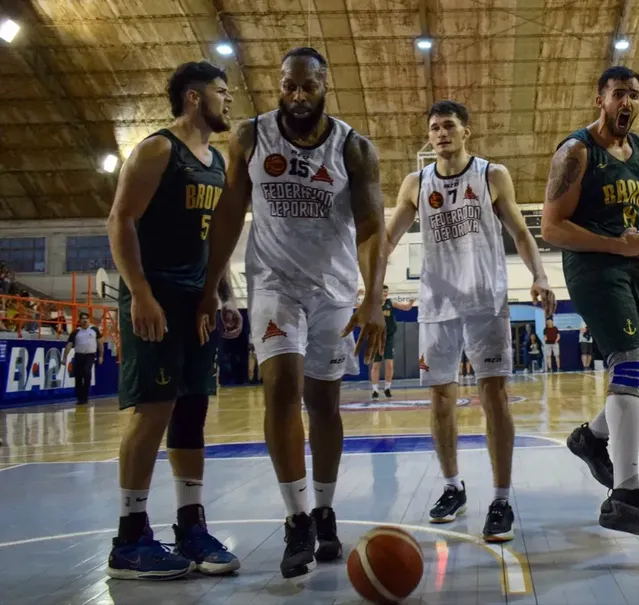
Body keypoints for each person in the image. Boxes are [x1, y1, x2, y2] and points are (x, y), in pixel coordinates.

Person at [199, 47, 388, 579]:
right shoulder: (250, 136)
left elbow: (372, 226)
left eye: (308, 86)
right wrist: (215, 285)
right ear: (277, 85)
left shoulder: (355, 148)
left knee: (324, 402)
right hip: (274, 283)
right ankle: (297, 517)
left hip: (332, 290)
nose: (298, 96)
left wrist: (372, 298)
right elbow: (232, 209)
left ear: (325, 85)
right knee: (281, 387)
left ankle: (325, 509)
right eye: (289, 86)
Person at [385, 99, 556, 543]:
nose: (441, 133)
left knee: (494, 397)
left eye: (449, 126)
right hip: (437, 304)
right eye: (435, 127)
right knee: (440, 401)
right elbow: (387, 239)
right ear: (429, 136)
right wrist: (364, 286)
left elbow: (520, 231)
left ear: (467, 132)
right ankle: (452, 487)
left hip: (484, 301)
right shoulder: (415, 182)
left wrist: (539, 275)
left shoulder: (491, 175)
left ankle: (500, 499)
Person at [105, 61, 243, 580]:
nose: (227, 101)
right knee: (153, 409)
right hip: (156, 296)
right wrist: (139, 293)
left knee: (191, 411)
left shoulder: (217, 163)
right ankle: (130, 537)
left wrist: (224, 296)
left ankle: (191, 526)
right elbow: (120, 220)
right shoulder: (158, 149)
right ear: (192, 98)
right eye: (220, 92)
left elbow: (214, 241)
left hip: (196, 300)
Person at [542, 65, 639, 540]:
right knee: (628, 365)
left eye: (634, 95)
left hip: (632, 266)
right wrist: (615, 245)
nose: (627, 102)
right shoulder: (576, 152)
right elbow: (551, 228)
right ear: (600, 99)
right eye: (618, 94)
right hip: (592, 266)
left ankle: (590, 438)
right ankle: (625, 497)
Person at [369, 285, 414, 400]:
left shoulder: (390, 303)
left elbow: (407, 308)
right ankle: (374, 390)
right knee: (376, 365)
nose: (385, 293)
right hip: (376, 338)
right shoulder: (372, 304)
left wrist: (411, 302)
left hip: (388, 337)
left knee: (389, 364)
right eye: (383, 291)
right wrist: (357, 295)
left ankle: (387, 388)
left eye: (386, 292)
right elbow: (357, 305)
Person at [61, 311, 104, 405]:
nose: (85, 320)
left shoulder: (94, 330)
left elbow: (100, 343)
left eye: (86, 318)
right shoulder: (76, 332)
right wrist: (64, 357)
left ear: (89, 320)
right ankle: (79, 397)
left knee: (87, 372)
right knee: (78, 377)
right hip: (79, 355)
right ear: (80, 320)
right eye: (83, 318)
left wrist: (101, 356)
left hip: (90, 355)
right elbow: (69, 345)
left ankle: (85, 396)